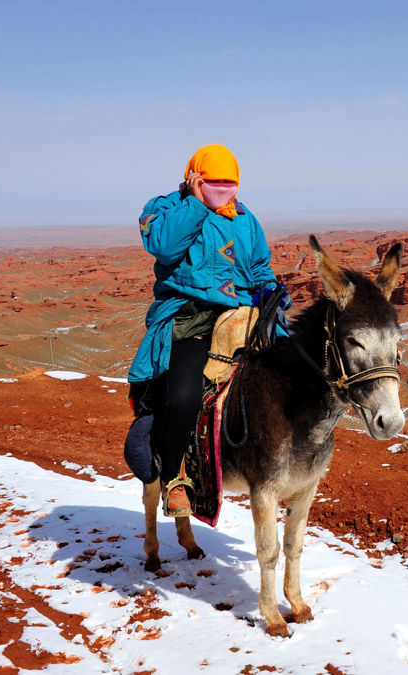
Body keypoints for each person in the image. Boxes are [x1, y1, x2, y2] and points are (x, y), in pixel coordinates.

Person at [125, 144, 280, 516]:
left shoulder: (244, 218)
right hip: (190, 315)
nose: (222, 188)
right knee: (183, 397)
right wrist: (196, 203)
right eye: (213, 181)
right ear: (194, 175)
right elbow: (163, 247)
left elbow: (259, 264)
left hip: (243, 312)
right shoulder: (164, 208)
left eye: (230, 182)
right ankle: (174, 479)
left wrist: (270, 287)